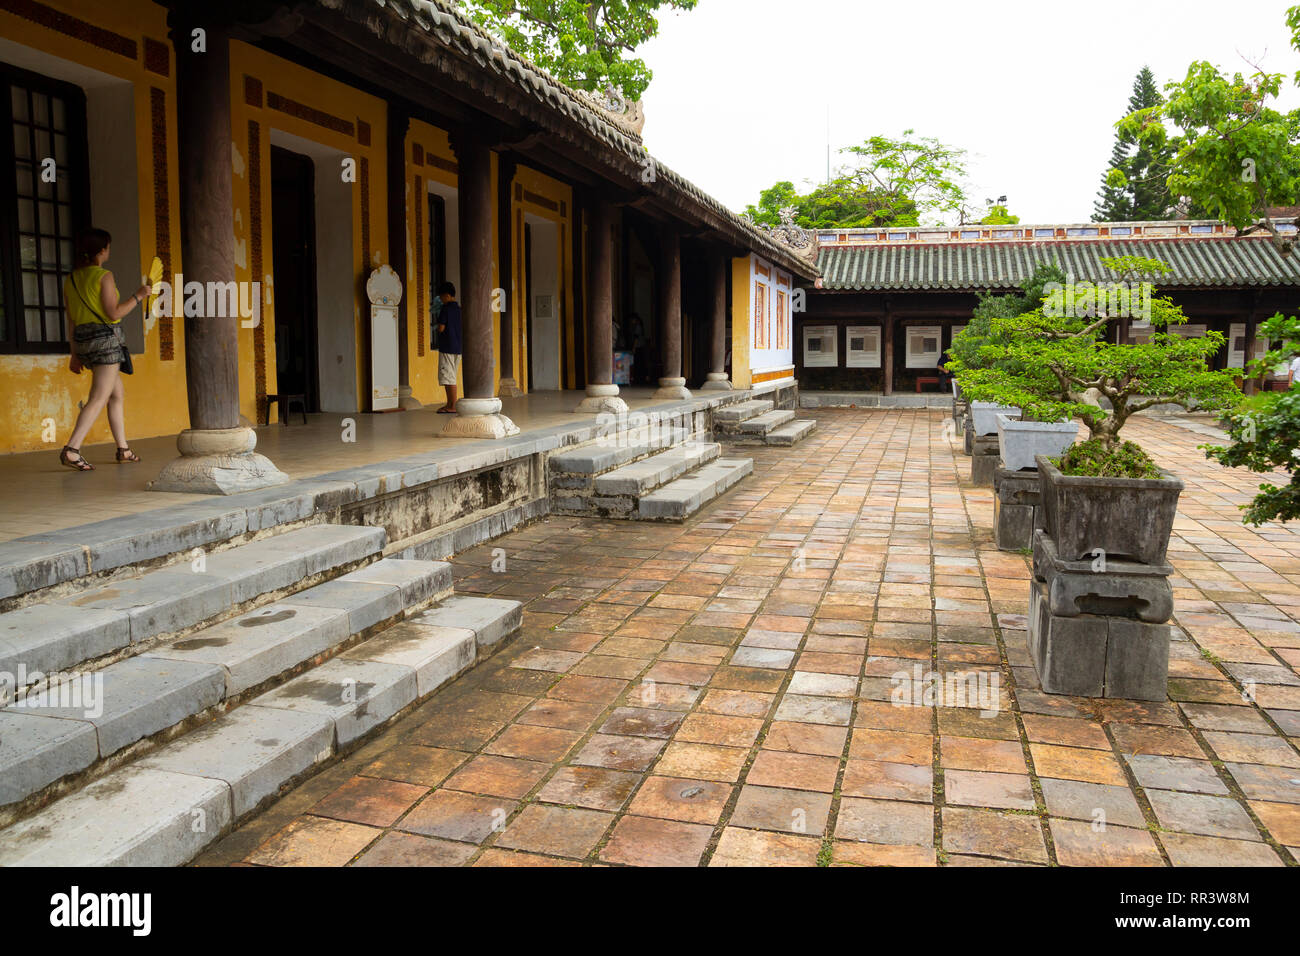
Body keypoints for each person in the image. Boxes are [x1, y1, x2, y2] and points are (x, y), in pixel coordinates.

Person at [59, 228, 149, 471]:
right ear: (102, 250)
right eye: (108, 247)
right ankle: (72, 449)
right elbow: (114, 313)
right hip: (106, 343)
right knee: (99, 397)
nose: (109, 250)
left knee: (115, 394)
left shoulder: (72, 279)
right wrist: (138, 296)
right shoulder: (104, 276)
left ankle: (124, 449)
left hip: (83, 341)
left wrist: (75, 354)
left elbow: (72, 320)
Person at [435, 281, 462, 413]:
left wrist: (438, 330)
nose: (440, 299)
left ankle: (452, 405)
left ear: (446, 295)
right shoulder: (459, 309)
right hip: (458, 347)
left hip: (447, 346)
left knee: (448, 376)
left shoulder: (445, 309)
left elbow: (441, 327)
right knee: (452, 375)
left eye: (441, 297)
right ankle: (450, 404)